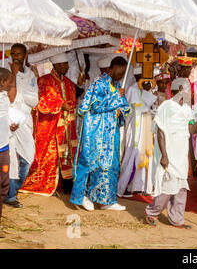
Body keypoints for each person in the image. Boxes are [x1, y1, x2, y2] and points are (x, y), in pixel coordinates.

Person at [70, 56, 131, 211]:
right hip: (95, 133)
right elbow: (94, 105)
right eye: (121, 71)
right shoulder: (99, 83)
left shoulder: (116, 86)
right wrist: (117, 98)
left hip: (111, 134)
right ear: (114, 67)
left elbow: (125, 107)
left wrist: (120, 110)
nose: (122, 75)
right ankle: (80, 196)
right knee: (89, 163)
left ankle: (106, 200)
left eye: (124, 72)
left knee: (110, 165)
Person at [144, 81, 197, 229]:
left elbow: (191, 130)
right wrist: (164, 155)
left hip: (181, 155)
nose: (190, 93)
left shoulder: (187, 109)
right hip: (169, 153)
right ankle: (152, 212)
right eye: (187, 90)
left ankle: (177, 219)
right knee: (168, 187)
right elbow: (160, 131)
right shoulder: (167, 107)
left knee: (181, 188)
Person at [22, 53, 82, 196]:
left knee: (67, 155)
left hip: (67, 126)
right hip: (50, 126)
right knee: (50, 156)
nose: (66, 67)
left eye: (66, 64)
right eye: (62, 65)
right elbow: (39, 102)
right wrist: (60, 106)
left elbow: (74, 100)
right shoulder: (44, 81)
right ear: (55, 65)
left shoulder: (68, 82)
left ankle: (66, 184)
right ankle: (44, 183)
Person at [4, 44, 38, 208]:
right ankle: (10, 196)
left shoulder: (30, 74)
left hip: (24, 120)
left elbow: (34, 100)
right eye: (13, 54)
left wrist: (18, 84)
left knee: (28, 157)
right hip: (6, 120)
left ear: (25, 55)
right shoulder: (4, 68)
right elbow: (7, 98)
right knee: (10, 159)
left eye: (19, 54)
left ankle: (10, 189)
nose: (16, 57)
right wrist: (13, 76)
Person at [117, 66, 157, 197]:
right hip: (135, 127)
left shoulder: (146, 90)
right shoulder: (132, 89)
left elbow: (150, 106)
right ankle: (125, 186)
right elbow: (128, 109)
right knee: (131, 154)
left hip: (145, 126)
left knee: (145, 154)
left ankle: (140, 186)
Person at [0, 68, 13, 238]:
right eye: (9, 80)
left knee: (3, 185)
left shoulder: (4, 97)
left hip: (3, 147)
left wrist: (12, 125)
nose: (11, 83)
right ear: (3, 82)